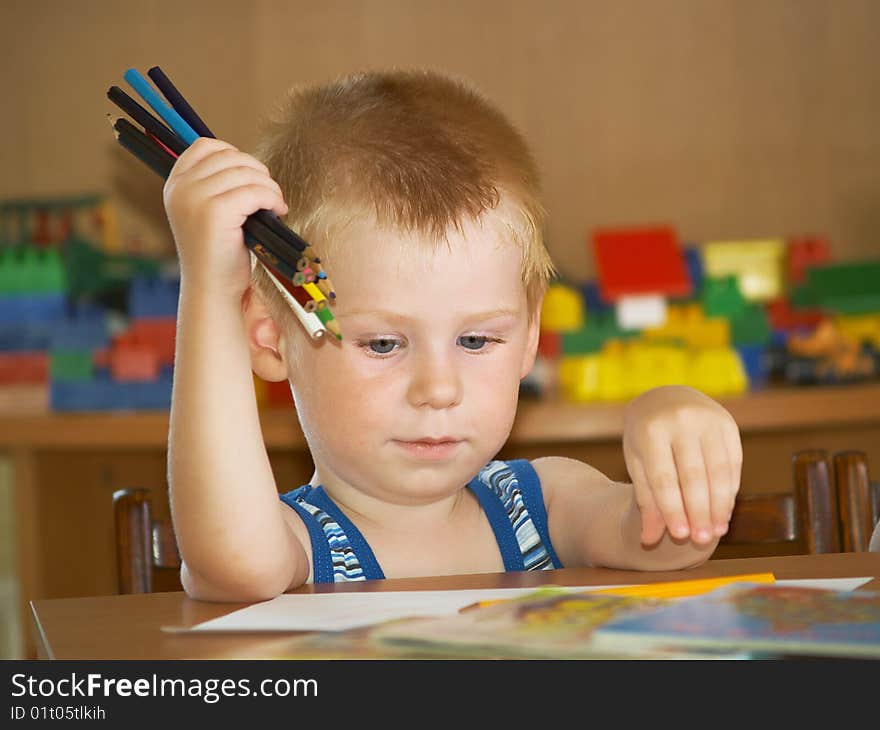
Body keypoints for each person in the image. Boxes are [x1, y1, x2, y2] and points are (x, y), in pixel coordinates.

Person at [162, 68, 743, 601]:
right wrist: (211, 287)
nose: (438, 389)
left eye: (476, 341)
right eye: (383, 344)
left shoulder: (545, 502)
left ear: (529, 336)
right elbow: (233, 566)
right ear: (270, 340)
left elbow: (670, 546)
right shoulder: (296, 545)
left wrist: (676, 421)